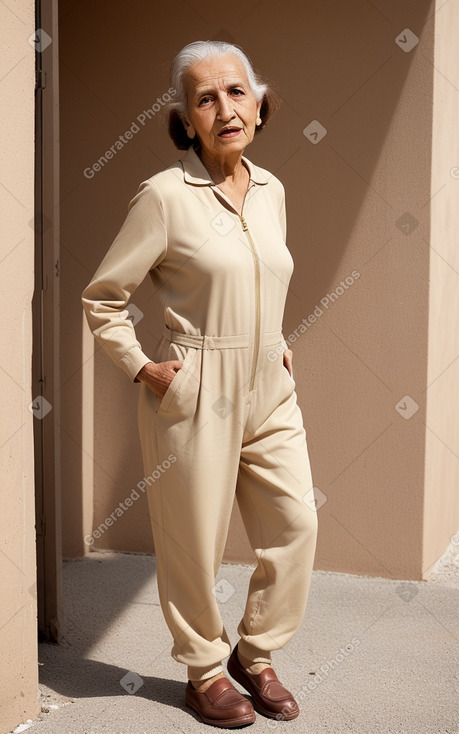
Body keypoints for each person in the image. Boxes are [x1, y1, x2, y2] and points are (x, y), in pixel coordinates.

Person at [82, 40, 318, 728]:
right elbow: (103, 297)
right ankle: (205, 670)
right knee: (194, 538)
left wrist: (275, 343)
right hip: (194, 386)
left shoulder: (272, 191)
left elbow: (259, 277)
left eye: (235, 92)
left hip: (269, 385)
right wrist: (141, 365)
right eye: (204, 98)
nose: (224, 108)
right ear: (185, 119)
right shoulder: (163, 197)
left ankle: (256, 654)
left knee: (296, 523)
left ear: (259, 101)